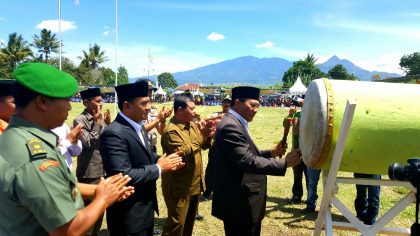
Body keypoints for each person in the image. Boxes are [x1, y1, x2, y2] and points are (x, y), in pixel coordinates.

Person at [0, 62, 134, 236]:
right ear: (42, 102)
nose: (70, 107)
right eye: (66, 100)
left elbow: (51, 188)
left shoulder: (15, 137)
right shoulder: (36, 159)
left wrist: (97, 190)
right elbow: (68, 230)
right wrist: (103, 199)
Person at [211, 86, 302, 236]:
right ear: (238, 103)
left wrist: (270, 153)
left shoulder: (236, 122)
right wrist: (284, 163)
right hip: (239, 204)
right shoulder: (230, 125)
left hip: (242, 201)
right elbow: (247, 161)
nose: (256, 110)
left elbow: (243, 154)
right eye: (252, 105)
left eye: (258, 106)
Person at [100, 81, 185, 236]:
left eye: (150, 102)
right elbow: (123, 175)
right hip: (128, 213)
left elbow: (145, 155)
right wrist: (159, 168)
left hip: (144, 208)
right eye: (144, 103)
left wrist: (164, 159)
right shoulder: (114, 133)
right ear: (127, 105)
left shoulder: (138, 126)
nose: (149, 107)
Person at [160, 94, 215, 236]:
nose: (195, 112)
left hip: (194, 183)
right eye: (192, 108)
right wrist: (202, 135)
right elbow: (182, 151)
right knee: (176, 224)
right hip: (179, 186)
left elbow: (201, 145)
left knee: (189, 223)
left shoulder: (191, 125)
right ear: (180, 110)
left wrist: (208, 135)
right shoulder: (171, 130)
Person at [74, 87, 110, 235]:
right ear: (86, 102)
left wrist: (107, 123)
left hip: (103, 169)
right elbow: (89, 142)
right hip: (89, 172)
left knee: (100, 209)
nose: (101, 104)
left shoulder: (101, 118)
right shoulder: (79, 120)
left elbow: (106, 139)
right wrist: (97, 123)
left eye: (102, 101)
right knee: (89, 213)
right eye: (97, 101)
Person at [202, 94, 231, 199]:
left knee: (226, 170)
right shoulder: (215, 114)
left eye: (228, 102)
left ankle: (222, 191)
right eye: (225, 102)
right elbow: (204, 120)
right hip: (215, 146)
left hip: (229, 147)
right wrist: (217, 117)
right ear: (222, 103)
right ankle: (208, 191)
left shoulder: (235, 116)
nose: (227, 104)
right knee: (211, 170)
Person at [287, 97, 307, 204]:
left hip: (308, 151)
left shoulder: (312, 115)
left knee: (310, 177)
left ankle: (311, 199)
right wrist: (290, 115)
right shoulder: (297, 114)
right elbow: (285, 125)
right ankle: (297, 196)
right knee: (297, 175)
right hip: (296, 150)